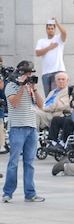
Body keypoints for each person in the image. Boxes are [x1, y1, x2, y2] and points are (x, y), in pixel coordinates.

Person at [3, 61, 45, 203]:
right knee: (13, 162)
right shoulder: (11, 86)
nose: (29, 76)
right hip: (17, 128)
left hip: (31, 128)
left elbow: (41, 105)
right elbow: (14, 104)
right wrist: (22, 87)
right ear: (20, 73)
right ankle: (7, 193)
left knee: (30, 163)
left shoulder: (31, 88)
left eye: (31, 73)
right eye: (27, 73)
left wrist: (34, 89)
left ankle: (30, 193)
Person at [34, 18, 67, 95]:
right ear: (46, 30)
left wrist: (57, 23)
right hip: (46, 72)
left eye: (52, 28)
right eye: (48, 29)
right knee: (48, 95)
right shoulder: (41, 41)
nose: (50, 30)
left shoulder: (58, 39)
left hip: (57, 70)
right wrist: (49, 48)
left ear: (55, 30)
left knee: (55, 94)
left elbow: (64, 33)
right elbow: (37, 53)